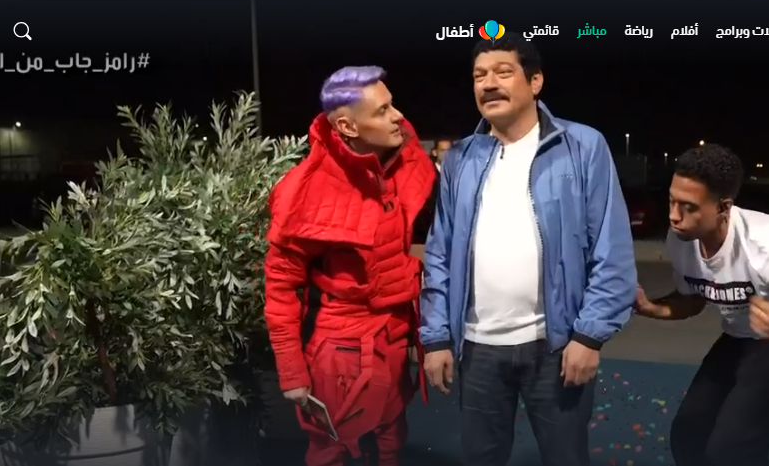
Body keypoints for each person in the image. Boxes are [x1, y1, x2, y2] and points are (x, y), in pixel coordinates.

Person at [419, 32, 637, 466]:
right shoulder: (460, 158)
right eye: (479, 76)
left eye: (503, 72)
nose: (488, 84)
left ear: (535, 81)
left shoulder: (582, 147)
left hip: (555, 347)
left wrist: (589, 336)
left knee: (566, 458)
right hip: (477, 349)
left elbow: (611, 249)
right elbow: (439, 253)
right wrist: (436, 336)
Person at [263, 65, 436, 466]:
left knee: (391, 441)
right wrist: (292, 372)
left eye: (392, 105)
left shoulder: (401, 164)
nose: (397, 116)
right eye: (382, 110)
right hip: (340, 351)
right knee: (332, 449)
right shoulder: (304, 190)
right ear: (347, 126)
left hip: (395, 337)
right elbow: (280, 287)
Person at [634, 144, 769, 466]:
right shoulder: (681, 239)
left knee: (732, 449)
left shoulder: (761, 244)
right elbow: (693, 299)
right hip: (737, 339)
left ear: (724, 207)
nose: (673, 216)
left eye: (689, 207)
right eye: (671, 201)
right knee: (687, 435)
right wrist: (651, 307)